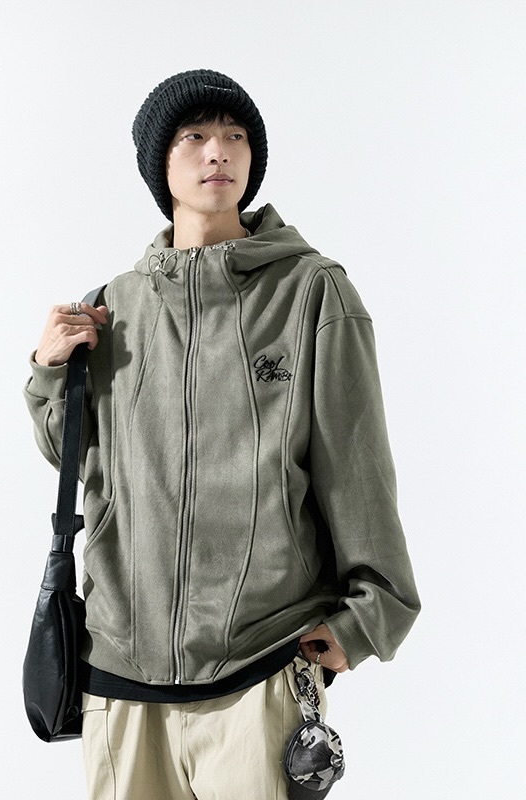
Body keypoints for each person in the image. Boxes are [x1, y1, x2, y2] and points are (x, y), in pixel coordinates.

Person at [25, 69, 420, 800]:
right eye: (196, 136)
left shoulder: (311, 292)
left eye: (236, 136)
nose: (219, 151)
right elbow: (75, 460)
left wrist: (371, 618)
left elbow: (357, 465)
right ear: (160, 163)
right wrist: (50, 371)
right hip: (119, 679)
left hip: (260, 669)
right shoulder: (112, 306)